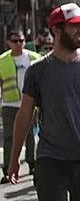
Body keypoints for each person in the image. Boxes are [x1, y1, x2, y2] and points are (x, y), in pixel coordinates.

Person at [6, 3, 80, 199]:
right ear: (56, 30)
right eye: (74, 25)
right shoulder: (37, 70)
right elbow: (24, 115)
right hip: (50, 159)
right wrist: (14, 159)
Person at [1, 29, 41, 183]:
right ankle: (8, 168)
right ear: (8, 42)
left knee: (30, 134)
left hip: (30, 103)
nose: (18, 44)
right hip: (9, 103)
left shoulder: (34, 58)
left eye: (21, 41)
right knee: (9, 136)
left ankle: (32, 163)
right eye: (15, 41)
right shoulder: (2, 60)